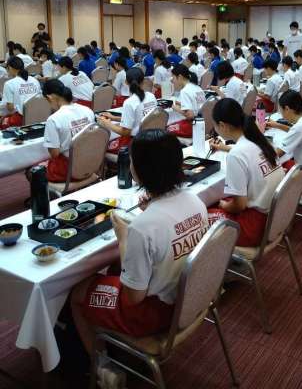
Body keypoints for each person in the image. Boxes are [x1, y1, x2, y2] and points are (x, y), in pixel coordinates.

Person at [70, 130, 208, 353]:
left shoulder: (142, 228)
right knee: (115, 268)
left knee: (78, 292)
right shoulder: (196, 202)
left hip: (154, 314)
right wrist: (152, 207)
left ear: (139, 170)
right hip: (188, 298)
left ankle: (101, 364)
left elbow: (132, 298)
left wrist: (123, 239)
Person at [207, 98, 282, 246]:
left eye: (215, 126)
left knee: (200, 217)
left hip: (254, 227)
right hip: (275, 217)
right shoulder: (260, 140)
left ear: (222, 125)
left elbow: (239, 206)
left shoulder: (236, 155)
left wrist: (222, 205)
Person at [42, 79, 95, 181]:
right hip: (90, 162)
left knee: (34, 170)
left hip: (69, 169)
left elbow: (54, 154)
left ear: (49, 97)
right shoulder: (88, 110)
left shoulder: (54, 119)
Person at [98, 68, 157, 153]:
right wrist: (114, 118)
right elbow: (139, 117)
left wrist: (107, 123)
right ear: (143, 81)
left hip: (134, 143)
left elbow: (125, 132)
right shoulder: (151, 96)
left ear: (126, 82)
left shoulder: (129, 102)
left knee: (103, 148)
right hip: (150, 138)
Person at [0, 57, 41, 128]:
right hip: (38, 116)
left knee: (3, 121)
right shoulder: (35, 80)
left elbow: (10, 108)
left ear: (9, 67)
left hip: (20, 119)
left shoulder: (9, 84)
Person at [168, 64, 206, 137]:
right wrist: (180, 104)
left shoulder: (185, 91)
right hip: (203, 124)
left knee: (167, 128)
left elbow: (190, 115)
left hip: (193, 126)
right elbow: (197, 106)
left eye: (173, 77)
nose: (172, 81)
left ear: (179, 77)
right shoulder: (197, 88)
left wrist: (172, 106)